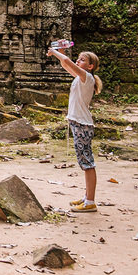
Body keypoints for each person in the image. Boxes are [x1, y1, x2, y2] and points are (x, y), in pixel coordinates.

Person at [48, 46, 104, 212]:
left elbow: (66, 62)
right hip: (78, 123)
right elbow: (66, 65)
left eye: (82, 60)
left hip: (82, 124)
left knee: (87, 163)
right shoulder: (81, 77)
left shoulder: (87, 77)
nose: (78, 61)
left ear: (90, 66)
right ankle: (87, 197)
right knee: (84, 161)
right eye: (78, 59)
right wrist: (62, 55)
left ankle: (90, 202)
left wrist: (54, 52)